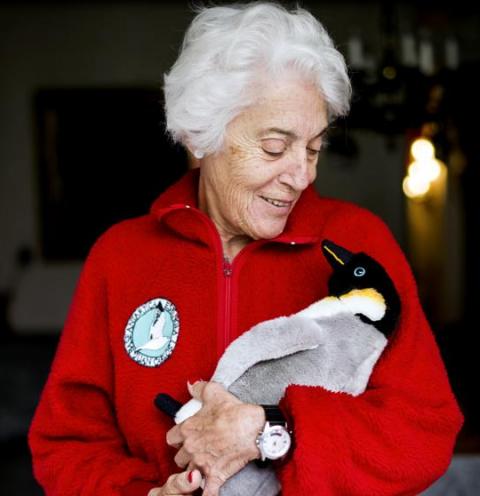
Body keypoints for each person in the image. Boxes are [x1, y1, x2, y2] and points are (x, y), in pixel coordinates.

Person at [29, 3, 463, 495]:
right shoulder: (121, 257)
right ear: (202, 135)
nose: (302, 176)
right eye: (275, 147)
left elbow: (424, 432)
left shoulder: (359, 244)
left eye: (314, 148)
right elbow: (67, 444)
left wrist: (272, 429)